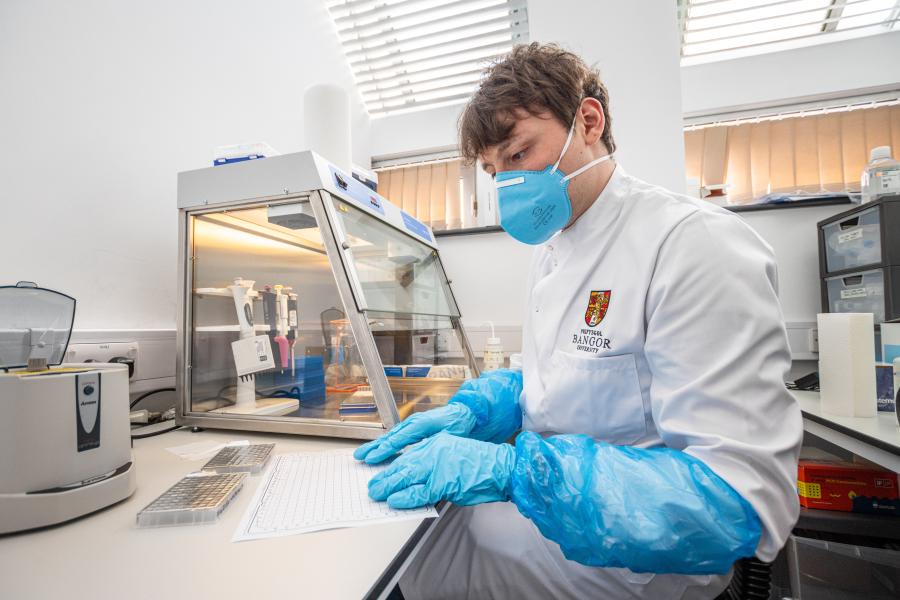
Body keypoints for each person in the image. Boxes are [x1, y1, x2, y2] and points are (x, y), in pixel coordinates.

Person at [354, 43, 802, 599]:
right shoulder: (552, 251)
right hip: (553, 523)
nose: (506, 186)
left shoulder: (693, 244)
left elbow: (741, 499)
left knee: (402, 568)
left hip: (639, 564)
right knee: (404, 544)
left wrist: (517, 473)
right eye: (494, 172)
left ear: (589, 121)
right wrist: (476, 411)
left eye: (517, 155)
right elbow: (565, 381)